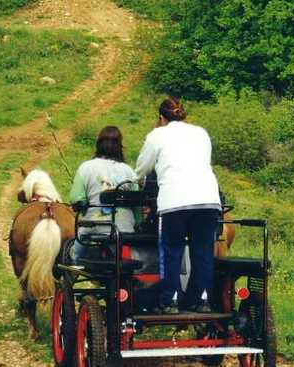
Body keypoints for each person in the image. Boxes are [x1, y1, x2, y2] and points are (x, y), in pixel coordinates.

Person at [135, 96, 222, 314]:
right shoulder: (201, 133)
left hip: (175, 201)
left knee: (171, 251)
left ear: (161, 117)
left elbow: (142, 168)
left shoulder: (157, 135)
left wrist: (137, 179)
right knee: (202, 253)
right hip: (208, 199)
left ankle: (170, 300)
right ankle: (201, 300)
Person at [70, 126, 137, 260]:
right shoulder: (129, 171)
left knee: (74, 256)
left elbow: (76, 199)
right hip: (124, 228)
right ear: (119, 146)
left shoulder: (86, 167)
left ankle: (73, 266)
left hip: (93, 227)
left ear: (98, 145)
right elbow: (136, 203)